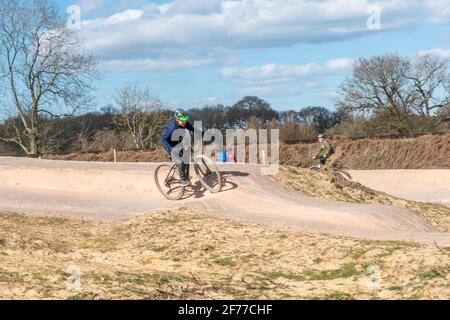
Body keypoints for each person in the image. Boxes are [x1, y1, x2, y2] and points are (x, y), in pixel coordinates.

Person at [161, 109, 195, 187]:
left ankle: (185, 175)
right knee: (180, 161)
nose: (184, 122)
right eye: (182, 120)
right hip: (167, 146)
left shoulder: (184, 123)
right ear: (177, 119)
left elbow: (193, 129)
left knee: (186, 157)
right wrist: (171, 150)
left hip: (176, 144)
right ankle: (183, 180)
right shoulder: (171, 127)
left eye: (185, 120)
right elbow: (163, 140)